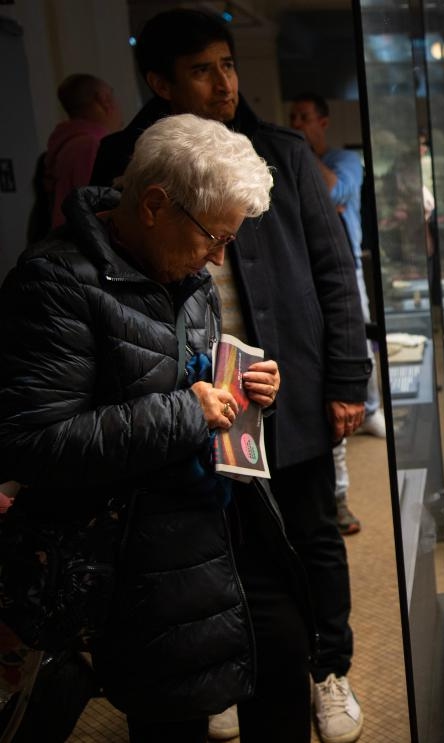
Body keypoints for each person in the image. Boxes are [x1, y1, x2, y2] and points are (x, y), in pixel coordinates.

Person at [91, 10, 370, 742]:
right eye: (200, 70)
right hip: (175, 389)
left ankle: (327, 667)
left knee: (310, 531)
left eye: (229, 64)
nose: (223, 83)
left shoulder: (280, 150)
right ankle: (222, 670)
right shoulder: (125, 159)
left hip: (279, 381)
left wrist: (348, 375)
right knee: (207, 539)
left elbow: (334, 268)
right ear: (159, 81)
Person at [0, 113, 310, 742]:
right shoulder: (52, 282)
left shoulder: (185, 267)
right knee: (174, 715)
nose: (219, 257)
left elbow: (195, 376)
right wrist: (186, 412)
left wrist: (247, 393)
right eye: (213, 237)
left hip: (220, 519)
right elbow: (30, 444)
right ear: (152, 206)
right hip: (134, 556)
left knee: (283, 659)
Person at [289, 92, 384, 537]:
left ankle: (370, 408)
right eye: (293, 117)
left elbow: (331, 191)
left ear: (323, 121)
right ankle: (336, 492)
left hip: (346, 268)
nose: (297, 122)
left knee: (357, 340)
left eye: (305, 116)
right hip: (309, 275)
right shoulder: (290, 162)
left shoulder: (345, 159)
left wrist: (305, 154)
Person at [27, 74, 123, 242]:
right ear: (104, 100)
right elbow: (95, 204)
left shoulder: (66, 144)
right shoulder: (90, 146)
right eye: (112, 96)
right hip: (86, 243)